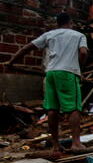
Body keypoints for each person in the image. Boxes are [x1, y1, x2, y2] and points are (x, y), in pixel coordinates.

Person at [7, 12, 88, 153]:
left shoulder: (50, 35)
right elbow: (83, 52)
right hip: (68, 73)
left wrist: (11, 62)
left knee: (52, 109)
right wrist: (79, 69)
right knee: (74, 108)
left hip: (50, 73)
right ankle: (76, 143)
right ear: (71, 23)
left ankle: (56, 145)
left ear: (57, 23)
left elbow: (27, 47)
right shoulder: (78, 35)